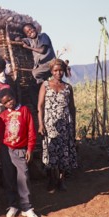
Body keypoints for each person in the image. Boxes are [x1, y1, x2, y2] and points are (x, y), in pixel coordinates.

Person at [0, 88, 38, 217]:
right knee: (8, 177)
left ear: (14, 96)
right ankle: (12, 205)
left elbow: (31, 130)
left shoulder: (24, 110)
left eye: (10, 99)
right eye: (5, 102)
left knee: (23, 177)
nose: (9, 103)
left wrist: (30, 149)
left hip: (20, 149)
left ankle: (27, 207)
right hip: (6, 150)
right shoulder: (3, 116)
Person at [37, 58, 77, 193]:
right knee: (51, 151)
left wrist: (73, 126)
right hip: (50, 124)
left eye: (60, 70)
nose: (58, 73)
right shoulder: (45, 85)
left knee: (64, 152)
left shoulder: (68, 88)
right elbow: (40, 106)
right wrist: (41, 124)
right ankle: (52, 180)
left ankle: (61, 180)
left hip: (65, 125)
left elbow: (72, 108)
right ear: (51, 71)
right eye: (55, 70)